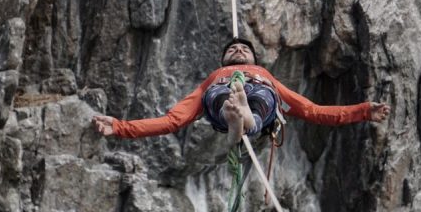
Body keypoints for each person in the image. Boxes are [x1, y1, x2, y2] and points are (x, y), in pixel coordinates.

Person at [92, 38, 390, 138]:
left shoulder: (265, 75)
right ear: (222, 60)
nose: (238, 50)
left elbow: (312, 110)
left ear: (255, 60)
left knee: (260, 97)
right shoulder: (214, 77)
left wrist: (363, 111)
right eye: (232, 49)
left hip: (259, 95)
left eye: (243, 50)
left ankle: (243, 117)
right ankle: (237, 115)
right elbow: (173, 120)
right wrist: (119, 126)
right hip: (222, 96)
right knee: (222, 96)